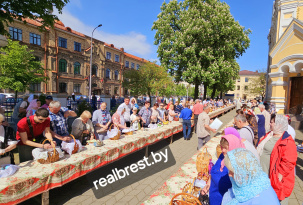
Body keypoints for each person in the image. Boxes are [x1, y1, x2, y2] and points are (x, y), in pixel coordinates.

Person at [257, 115, 297, 204]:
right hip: (264, 174)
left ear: (279, 124)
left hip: (276, 179)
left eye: (272, 122)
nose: (269, 123)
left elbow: (289, 162)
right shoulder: (269, 135)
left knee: (276, 200)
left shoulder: (287, 141)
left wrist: (278, 178)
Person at [201, 134, 245, 205]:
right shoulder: (222, 156)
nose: (222, 150)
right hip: (213, 197)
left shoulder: (236, 165)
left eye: (226, 148)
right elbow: (214, 172)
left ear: (233, 147)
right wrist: (208, 185)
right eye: (222, 147)